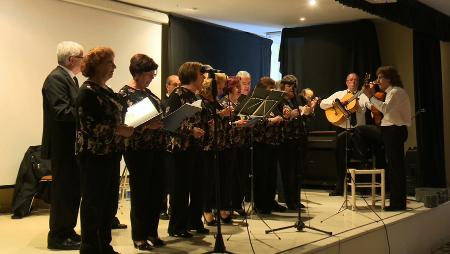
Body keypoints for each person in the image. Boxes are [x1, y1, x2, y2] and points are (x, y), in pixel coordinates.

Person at [76, 47, 134, 254]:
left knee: (108, 203)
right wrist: (119, 130)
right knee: (93, 203)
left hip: (110, 153)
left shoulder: (106, 90)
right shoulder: (87, 92)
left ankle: (105, 245)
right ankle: (91, 248)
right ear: (98, 65)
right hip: (94, 155)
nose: (114, 67)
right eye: (110, 63)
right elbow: (89, 127)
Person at [118, 54, 166, 251]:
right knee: (141, 193)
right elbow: (124, 125)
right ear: (137, 73)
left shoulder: (149, 93)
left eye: (153, 73)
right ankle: (139, 235)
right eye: (149, 74)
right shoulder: (124, 95)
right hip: (138, 150)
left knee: (156, 192)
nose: (152, 77)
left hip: (157, 147)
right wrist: (147, 127)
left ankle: (152, 232)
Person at [41, 41, 84, 250]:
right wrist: (88, 114)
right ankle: (58, 236)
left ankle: (68, 230)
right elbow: (62, 112)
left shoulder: (70, 79)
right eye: (82, 57)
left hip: (71, 146)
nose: (84, 61)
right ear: (71, 60)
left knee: (72, 191)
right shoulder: (56, 79)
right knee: (63, 192)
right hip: (62, 146)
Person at [166, 61, 208, 237]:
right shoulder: (178, 94)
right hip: (181, 148)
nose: (204, 78)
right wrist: (191, 131)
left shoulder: (195, 96)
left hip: (196, 147)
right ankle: (177, 226)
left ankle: (194, 220)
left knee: (198, 186)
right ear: (192, 76)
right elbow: (170, 123)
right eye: (201, 74)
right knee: (181, 189)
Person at [363, 66, 411, 211]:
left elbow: (385, 109)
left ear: (389, 79)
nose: (378, 81)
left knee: (396, 167)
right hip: (389, 130)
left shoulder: (396, 92)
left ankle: (398, 203)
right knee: (394, 166)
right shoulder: (390, 92)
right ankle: (396, 200)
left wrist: (371, 96)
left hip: (394, 131)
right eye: (377, 78)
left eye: (380, 78)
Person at [319, 73, 370, 196]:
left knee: (361, 159)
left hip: (358, 131)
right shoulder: (339, 94)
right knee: (340, 160)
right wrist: (337, 104)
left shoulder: (363, 95)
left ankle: (361, 187)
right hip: (342, 130)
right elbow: (322, 104)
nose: (353, 82)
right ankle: (340, 188)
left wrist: (372, 99)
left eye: (356, 80)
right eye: (351, 80)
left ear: (359, 83)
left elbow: (371, 106)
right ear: (346, 82)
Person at [278, 75, 316, 211]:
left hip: (300, 138)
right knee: (288, 172)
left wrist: (310, 109)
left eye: (294, 85)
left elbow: (310, 114)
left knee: (299, 171)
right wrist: (295, 113)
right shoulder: (280, 100)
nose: (292, 88)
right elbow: (283, 117)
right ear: (283, 86)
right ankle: (289, 200)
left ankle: (296, 199)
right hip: (286, 140)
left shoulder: (299, 98)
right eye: (289, 85)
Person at [160, 75, 180, 220]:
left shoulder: (179, 100)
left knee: (174, 181)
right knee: (164, 179)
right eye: (174, 84)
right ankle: (162, 209)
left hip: (175, 145)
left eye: (179, 84)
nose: (177, 87)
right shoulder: (162, 102)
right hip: (164, 144)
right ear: (167, 86)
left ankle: (174, 208)